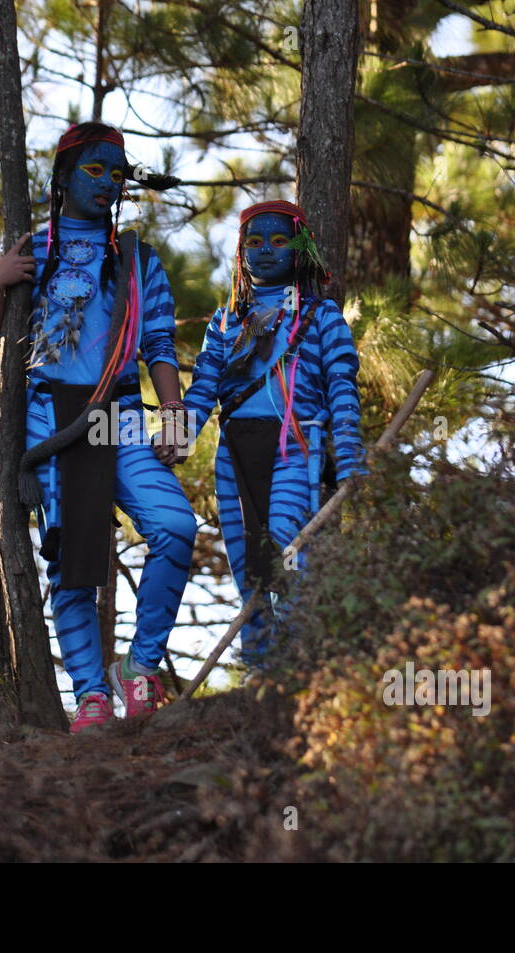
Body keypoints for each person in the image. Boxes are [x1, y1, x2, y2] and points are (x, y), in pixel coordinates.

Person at [0, 122, 195, 733]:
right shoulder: (32, 248)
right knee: (71, 554)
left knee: (175, 527)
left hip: (119, 413)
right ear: (64, 175)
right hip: (50, 414)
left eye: (117, 173)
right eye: (94, 170)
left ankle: (140, 667)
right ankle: (90, 695)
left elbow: (157, 342)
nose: (107, 182)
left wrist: (174, 413)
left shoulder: (136, 258)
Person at [182, 200, 366, 664]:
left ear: (300, 249)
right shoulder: (224, 322)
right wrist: (172, 439)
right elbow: (203, 388)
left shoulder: (321, 316)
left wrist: (348, 456)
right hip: (235, 451)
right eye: (254, 242)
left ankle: (297, 665)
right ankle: (261, 680)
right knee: (248, 567)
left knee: (289, 548)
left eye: (279, 241)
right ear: (241, 253)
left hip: (295, 443)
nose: (265, 251)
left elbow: (342, 385)